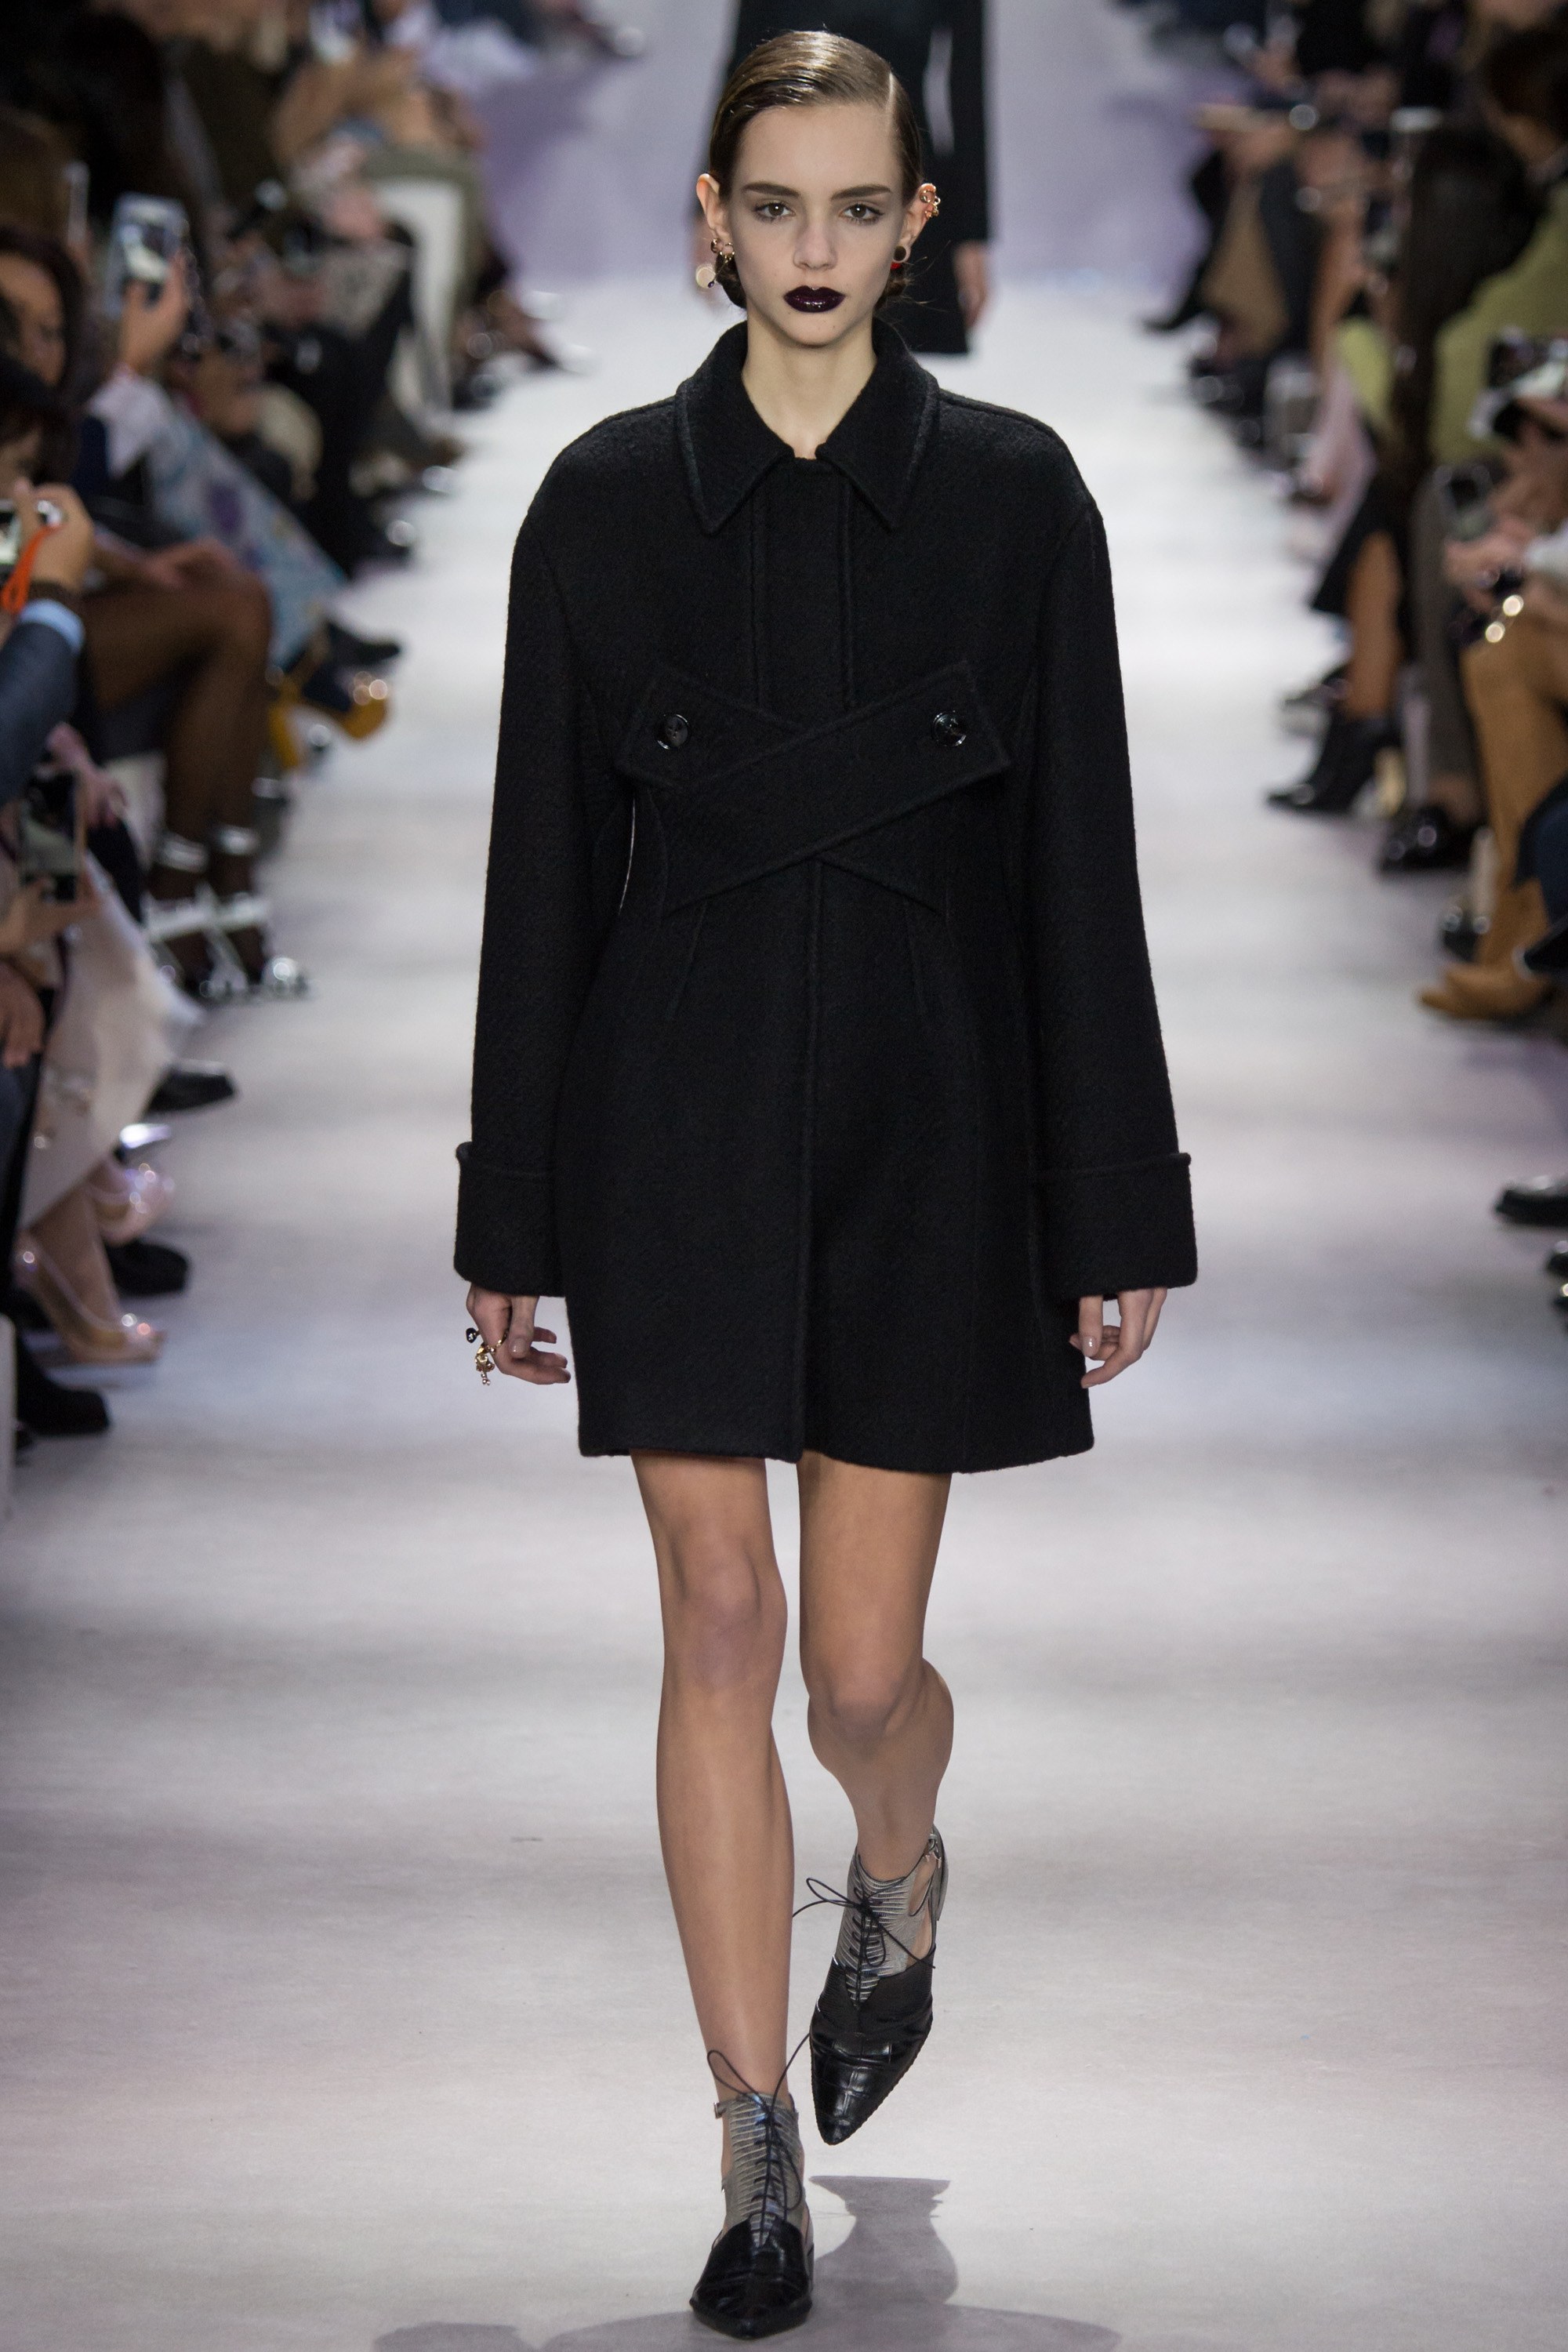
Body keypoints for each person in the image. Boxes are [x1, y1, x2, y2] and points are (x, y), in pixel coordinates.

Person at [458, 31, 1196, 2340]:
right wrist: (510, 1213)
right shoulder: (600, 503)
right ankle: (746, 2135)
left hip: (923, 1114)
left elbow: (1075, 862)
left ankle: (900, 1860)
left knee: (858, 1674)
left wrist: (1111, 1198)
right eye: (770, 206)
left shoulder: (1014, 496)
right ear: (710, 218)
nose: (808, 248)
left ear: (913, 228)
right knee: (718, 1620)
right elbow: (538, 870)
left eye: (852, 207)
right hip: (670, 1105)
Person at [707, 2, 990, 352]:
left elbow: (966, 84)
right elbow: (743, 67)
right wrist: (714, 200)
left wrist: (970, 235)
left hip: (899, 181)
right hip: (789, 172)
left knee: (887, 358)